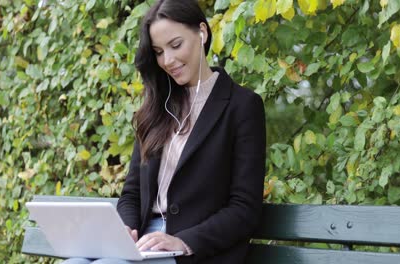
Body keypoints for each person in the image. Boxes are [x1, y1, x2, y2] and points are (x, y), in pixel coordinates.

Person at [63, 0, 265, 263]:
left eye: (176, 45)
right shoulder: (157, 107)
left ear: (202, 33)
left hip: (196, 252)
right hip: (144, 245)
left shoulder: (242, 106)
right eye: (158, 52)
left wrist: (183, 241)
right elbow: (131, 195)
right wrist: (125, 230)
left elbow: (244, 209)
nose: (168, 60)